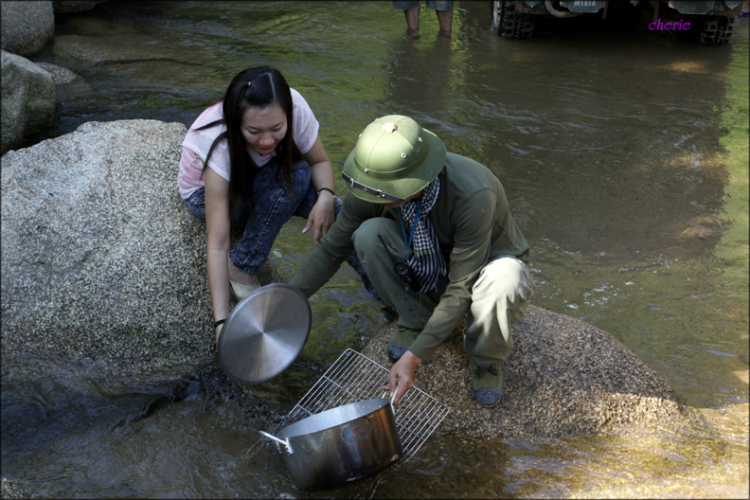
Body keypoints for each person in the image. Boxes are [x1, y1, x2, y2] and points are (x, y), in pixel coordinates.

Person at [290, 115, 536, 408]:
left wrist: (414, 356)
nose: (373, 196)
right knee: (367, 235)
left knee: (505, 277)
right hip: (426, 262)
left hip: (482, 267)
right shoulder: (373, 184)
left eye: (384, 192)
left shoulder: (472, 193)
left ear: (417, 180)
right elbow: (333, 248)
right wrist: (284, 302)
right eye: (371, 187)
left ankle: (486, 358)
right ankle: (414, 317)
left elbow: (462, 285)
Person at [177, 66, 373, 344]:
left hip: (266, 176)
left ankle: (384, 297)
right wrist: (221, 322)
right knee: (297, 173)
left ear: (287, 115)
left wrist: (327, 196)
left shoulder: (294, 107)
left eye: (277, 129)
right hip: (205, 196)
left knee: (338, 212)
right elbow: (218, 244)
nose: (267, 140)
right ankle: (243, 264)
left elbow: (319, 161)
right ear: (236, 122)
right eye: (254, 131)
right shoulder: (218, 142)